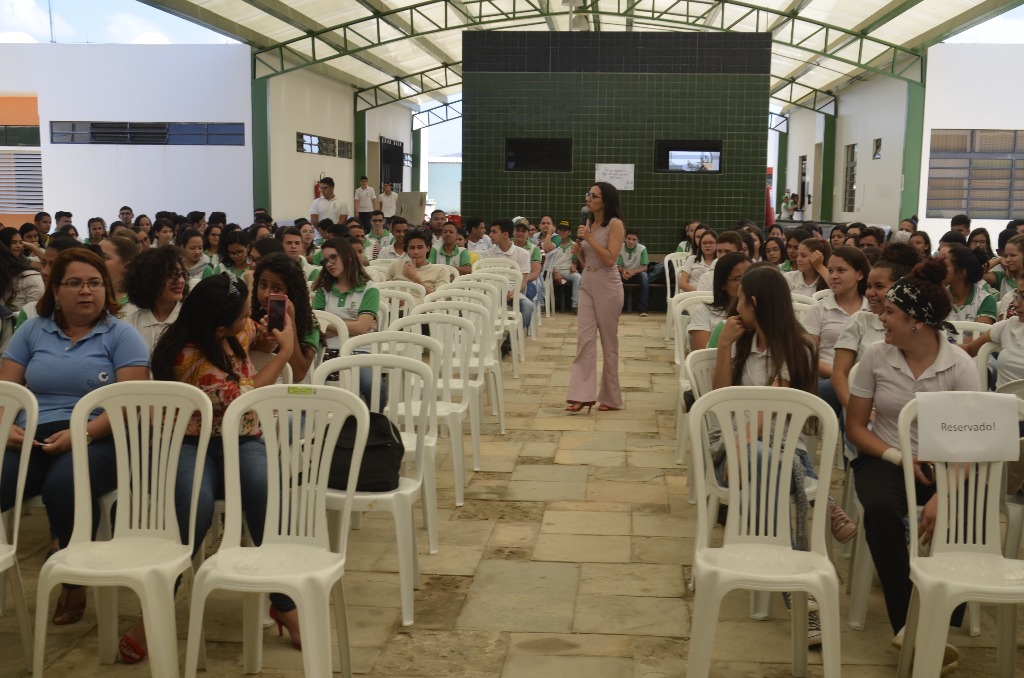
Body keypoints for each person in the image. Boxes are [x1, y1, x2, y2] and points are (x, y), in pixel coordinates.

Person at [141, 274, 300, 661]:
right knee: (194, 506)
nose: (249, 319)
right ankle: (157, 608)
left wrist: (270, 330)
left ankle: (283, 601)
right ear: (217, 327)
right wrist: (283, 353)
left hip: (241, 438)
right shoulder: (187, 356)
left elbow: (250, 333)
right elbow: (244, 396)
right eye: (244, 313)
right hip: (189, 441)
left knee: (264, 488)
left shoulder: (230, 332)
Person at [0, 248, 150, 628]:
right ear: (56, 290)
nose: (86, 291)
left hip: (101, 435)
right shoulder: (33, 329)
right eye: (76, 283)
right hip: (33, 434)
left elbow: (128, 404)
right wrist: (4, 428)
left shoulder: (121, 334)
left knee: (64, 485)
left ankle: (73, 576)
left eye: (95, 283)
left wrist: (81, 433)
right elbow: (5, 391)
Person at [846, 258, 979, 663]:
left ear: (917, 322)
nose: (881, 317)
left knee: (964, 514)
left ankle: (945, 613)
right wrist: (899, 457)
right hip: (885, 456)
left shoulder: (959, 365)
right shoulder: (876, 356)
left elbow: (971, 443)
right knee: (881, 509)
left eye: (890, 312)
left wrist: (946, 494)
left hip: (948, 464)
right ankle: (910, 626)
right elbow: (856, 427)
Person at [831, 243, 921, 409]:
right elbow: (839, 374)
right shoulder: (860, 321)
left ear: (902, 289)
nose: (870, 293)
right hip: (860, 409)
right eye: (868, 286)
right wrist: (856, 412)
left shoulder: (917, 326)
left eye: (879, 286)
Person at [566, 182, 625, 412]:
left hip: (608, 285)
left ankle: (611, 396)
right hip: (588, 281)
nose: (588, 198)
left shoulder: (615, 224)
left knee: (609, 343)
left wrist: (589, 239)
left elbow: (610, 259)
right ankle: (582, 395)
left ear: (605, 201)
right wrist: (580, 253)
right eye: (588, 194)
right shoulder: (589, 223)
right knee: (585, 339)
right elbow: (588, 262)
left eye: (593, 195)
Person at [802, 246, 871, 439]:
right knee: (844, 388)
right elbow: (808, 357)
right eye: (831, 270)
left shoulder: (872, 310)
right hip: (825, 380)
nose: (833, 276)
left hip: (866, 382)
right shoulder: (819, 309)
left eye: (841, 270)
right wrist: (839, 375)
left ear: (859, 275)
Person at [312, 237, 380, 400]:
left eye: (333, 257)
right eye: (325, 260)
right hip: (329, 351)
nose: (329, 264)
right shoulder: (323, 290)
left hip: (360, 351)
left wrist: (330, 324)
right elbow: (317, 326)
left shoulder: (370, 289)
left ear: (348, 256)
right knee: (318, 387)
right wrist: (355, 325)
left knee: (374, 387)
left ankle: (368, 417)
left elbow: (361, 328)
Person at [250, 252, 320, 382]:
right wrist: (262, 342)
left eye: (276, 289)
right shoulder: (249, 319)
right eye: (263, 285)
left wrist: (290, 323)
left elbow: (298, 375)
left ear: (291, 293)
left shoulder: (309, 325)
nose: (266, 294)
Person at [123, 246, 188, 352]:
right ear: (149, 280)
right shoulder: (132, 324)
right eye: (170, 275)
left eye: (180, 274)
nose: (180, 281)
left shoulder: (190, 319)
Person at [688, 253, 750, 352]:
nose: (745, 284)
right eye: (738, 279)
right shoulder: (703, 312)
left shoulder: (756, 312)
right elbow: (704, 357)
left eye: (749, 277)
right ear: (722, 284)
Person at [387, 228, 452, 304]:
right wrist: (391, 298)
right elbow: (381, 289)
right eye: (412, 248)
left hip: (423, 309)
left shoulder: (440, 271)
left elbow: (439, 299)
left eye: (420, 247)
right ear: (407, 250)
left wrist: (415, 278)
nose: (416, 252)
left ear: (428, 248)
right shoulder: (397, 265)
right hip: (394, 308)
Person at [942, 244, 996, 324]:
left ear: (961, 273)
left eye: (945, 266)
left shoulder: (986, 300)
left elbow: (980, 331)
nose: (940, 268)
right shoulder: (939, 297)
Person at [98, 232, 141, 307]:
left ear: (127, 267)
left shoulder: (139, 305)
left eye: (104, 257)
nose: (96, 259)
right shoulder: (89, 299)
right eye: (95, 255)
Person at [548, 221, 581, 313]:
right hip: (553, 271)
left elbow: (575, 261)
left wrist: (574, 266)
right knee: (545, 278)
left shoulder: (574, 245)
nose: (562, 232)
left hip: (567, 271)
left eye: (565, 230)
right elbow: (548, 262)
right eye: (560, 229)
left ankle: (575, 305)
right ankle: (544, 304)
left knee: (578, 277)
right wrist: (555, 272)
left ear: (570, 232)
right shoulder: (553, 244)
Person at [618, 228, 650, 316]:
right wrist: (623, 271)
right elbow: (618, 266)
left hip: (636, 275)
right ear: (625, 238)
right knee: (613, 275)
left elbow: (645, 267)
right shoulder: (619, 247)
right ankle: (616, 306)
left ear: (637, 241)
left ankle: (643, 309)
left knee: (644, 276)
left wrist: (632, 272)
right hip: (623, 274)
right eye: (629, 238)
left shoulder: (642, 249)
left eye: (634, 239)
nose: (631, 242)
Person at [677, 228, 715, 292]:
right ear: (700, 245)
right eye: (704, 243)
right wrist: (699, 293)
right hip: (692, 295)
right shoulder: (692, 259)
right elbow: (682, 283)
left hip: (712, 295)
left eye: (711, 243)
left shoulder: (719, 261)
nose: (707, 245)